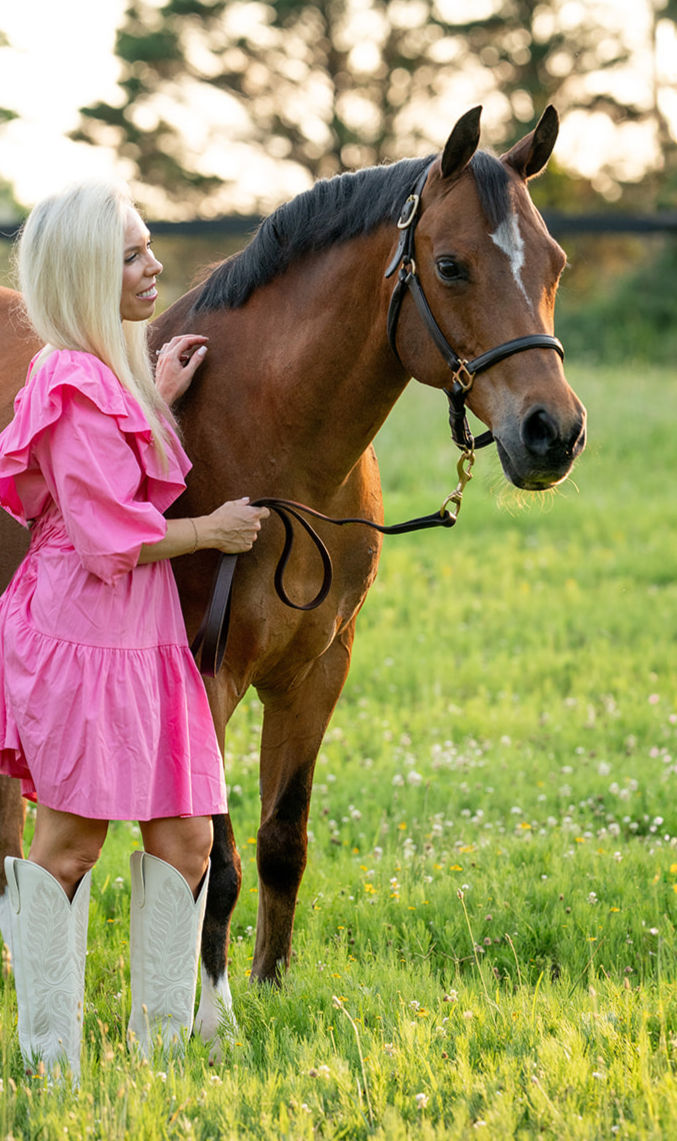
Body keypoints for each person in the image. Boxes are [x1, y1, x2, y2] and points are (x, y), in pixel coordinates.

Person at [0, 181, 268, 1079]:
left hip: (141, 637)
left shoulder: (105, 374)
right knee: (71, 842)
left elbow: (125, 474)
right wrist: (212, 530)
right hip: (83, 632)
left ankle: (157, 1062)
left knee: (187, 838)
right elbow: (108, 532)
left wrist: (154, 394)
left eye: (151, 247)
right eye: (131, 255)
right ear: (83, 272)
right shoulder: (68, 383)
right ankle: (49, 1062)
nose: (155, 266)